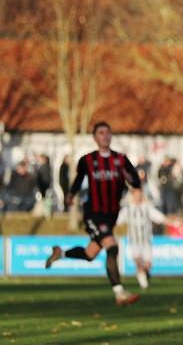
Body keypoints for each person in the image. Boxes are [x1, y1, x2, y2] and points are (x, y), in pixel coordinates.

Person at [44, 122, 142, 305]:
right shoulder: (87, 160)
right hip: (94, 213)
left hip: (111, 215)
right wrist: (71, 195)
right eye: (101, 133)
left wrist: (133, 181)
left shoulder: (121, 159)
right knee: (112, 247)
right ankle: (120, 293)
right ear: (95, 138)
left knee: (90, 254)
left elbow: (136, 181)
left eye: (107, 133)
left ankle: (61, 253)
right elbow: (78, 180)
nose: (105, 136)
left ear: (111, 136)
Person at [117, 188, 176, 289]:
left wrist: (174, 223)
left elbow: (160, 218)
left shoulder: (147, 207)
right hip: (134, 240)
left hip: (146, 240)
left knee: (148, 264)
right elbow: (118, 221)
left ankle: (143, 274)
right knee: (138, 261)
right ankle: (143, 281)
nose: (138, 197)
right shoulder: (127, 209)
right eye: (136, 195)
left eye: (139, 194)